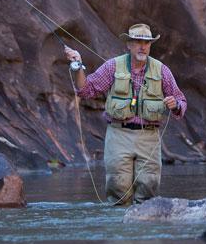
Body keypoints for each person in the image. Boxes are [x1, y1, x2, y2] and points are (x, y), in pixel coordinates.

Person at [64, 23, 187, 205]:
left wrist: (174, 104)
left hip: (149, 136)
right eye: (138, 42)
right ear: (128, 44)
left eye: (146, 43)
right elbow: (85, 90)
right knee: (118, 187)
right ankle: (121, 229)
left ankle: (143, 229)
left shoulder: (162, 70)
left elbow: (181, 101)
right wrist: (78, 64)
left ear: (150, 46)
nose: (142, 47)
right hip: (118, 135)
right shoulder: (113, 66)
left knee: (148, 187)